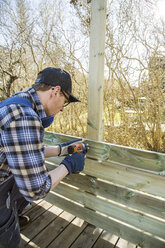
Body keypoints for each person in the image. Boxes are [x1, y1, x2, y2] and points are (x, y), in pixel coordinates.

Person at [0, 67, 88, 248]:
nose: (63, 108)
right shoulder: (25, 117)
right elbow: (36, 189)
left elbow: (24, 151)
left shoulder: (19, 101)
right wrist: (68, 165)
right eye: (65, 101)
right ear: (55, 91)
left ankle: (12, 217)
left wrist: (62, 150)